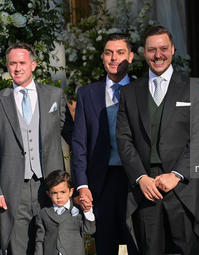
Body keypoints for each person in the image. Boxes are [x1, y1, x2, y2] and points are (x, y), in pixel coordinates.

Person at [116, 25, 199, 255]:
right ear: (144, 52)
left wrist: (177, 175)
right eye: (152, 49)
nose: (158, 55)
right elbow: (123, 138)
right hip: (146, 189)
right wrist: (140, 178)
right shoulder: (129, 92)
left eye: (163, 48)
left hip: (181, 187)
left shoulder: (194, 88)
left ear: (173, 49)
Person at [0, 42, 73, 255]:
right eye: (12, 63)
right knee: (19, 248)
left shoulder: (54, 95)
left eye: (22, 62)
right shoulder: (0, 100)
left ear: (33, 64)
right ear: (7, 66)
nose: (17, 68)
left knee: (51, 245)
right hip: (14, 189)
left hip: (50, 187)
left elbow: (73, 137)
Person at [71, 33, 139, 254]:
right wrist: (82, 185)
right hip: (101, 184)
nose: (113, 58)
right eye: (108, 53)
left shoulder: (143, 91)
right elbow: (79, 144)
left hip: (136, 182)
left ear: (131, 56)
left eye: (120, 53)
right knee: (105, 247)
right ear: (102, 57)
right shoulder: (86, 93)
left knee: (139, 245)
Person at [34, 170, 95, 255]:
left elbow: (89, 230)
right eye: (54, 193)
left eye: (63, 192)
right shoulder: (43, 214)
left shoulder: (78, 211)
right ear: (48, 194)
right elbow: (39, 240)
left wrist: (87, 211)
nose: (59, 197)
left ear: (71, 192)